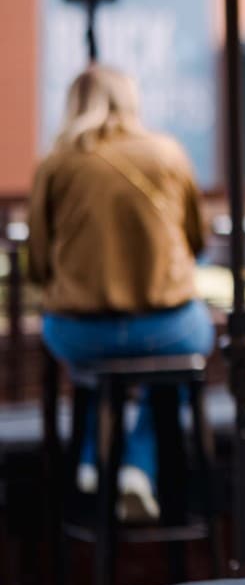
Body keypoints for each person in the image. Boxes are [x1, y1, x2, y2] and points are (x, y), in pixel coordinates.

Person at [26, 65, 215, 523]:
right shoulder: (168, 153)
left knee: (96, 377)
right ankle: (137, 463)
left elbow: (37, 264)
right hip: (167, 329)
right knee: (174, 360)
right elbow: (198, 241)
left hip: (80, 332)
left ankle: (92, 458)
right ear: (130, 101)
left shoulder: (57, 163)